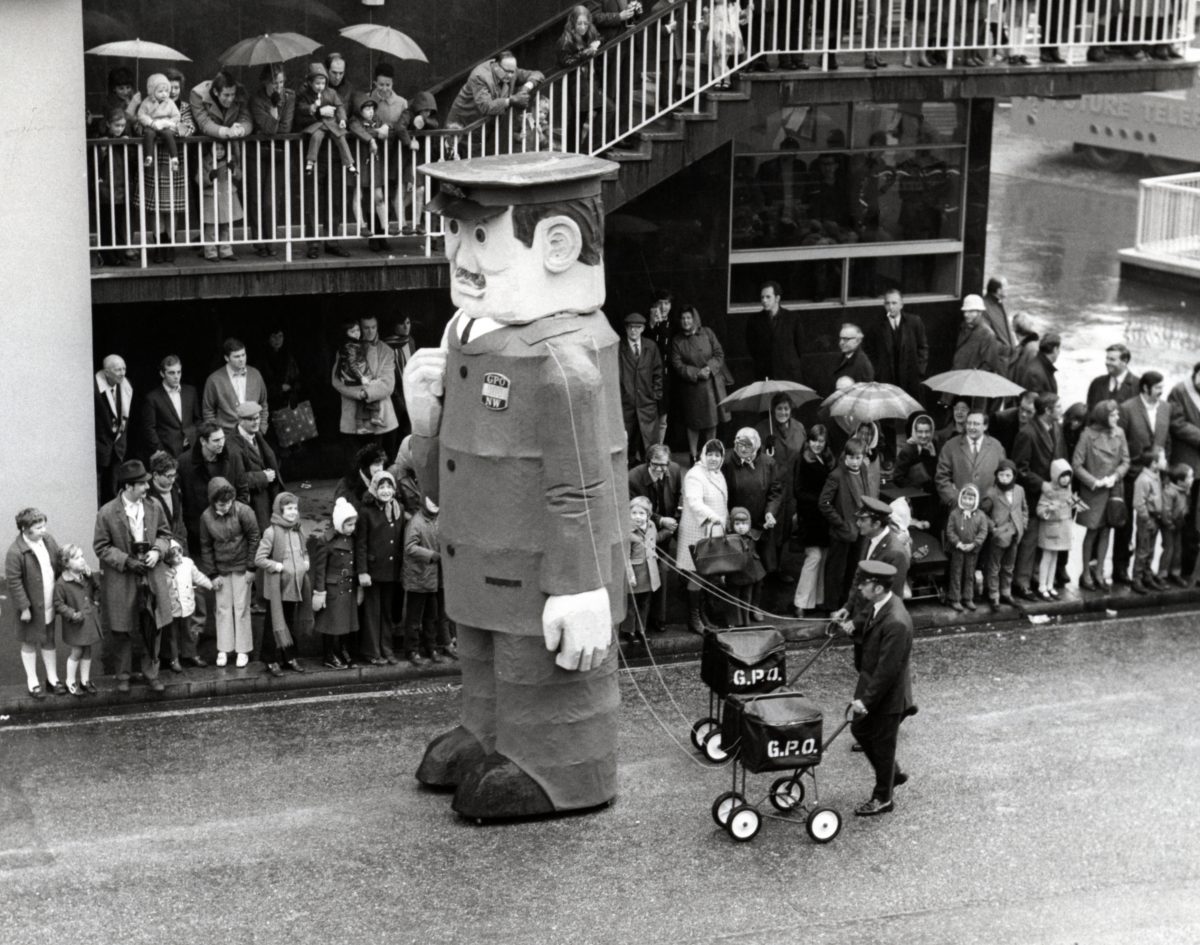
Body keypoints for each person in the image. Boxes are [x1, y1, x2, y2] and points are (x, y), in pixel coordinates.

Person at [403, 154, 626, 820]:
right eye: (457, 234)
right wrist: (424, 425)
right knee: (483, 652)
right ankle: (489, 731)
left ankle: (555, 767)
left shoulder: (564, 358)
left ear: (557, 243)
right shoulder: (470, 333)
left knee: (540, 666)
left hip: (541, 571)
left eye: (481, 236)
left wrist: (583, 587)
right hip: (482, 557)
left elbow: (581, 481)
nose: (461, 256)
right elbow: (458, 460)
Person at [94, 460, 175, 694]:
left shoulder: (154, 506)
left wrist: (157, 551)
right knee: (122, 628)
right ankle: (123, 675)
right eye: (141, 484)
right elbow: (101, 546)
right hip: (123, 578)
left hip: (151, 574)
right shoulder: (107, 512)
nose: (146, 488)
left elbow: (165, 534)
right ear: (128, 486)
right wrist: (125, 560)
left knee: (153, 625)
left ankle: (152, 673)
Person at [844, 559, 915, 818]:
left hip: (888, 696)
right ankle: (892, 774)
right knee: (860, 728)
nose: (860, 587)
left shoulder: (896, 621)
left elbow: (888, 670)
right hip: (874, 686)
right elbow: (868, 625)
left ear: (878, 588)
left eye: (865, 583)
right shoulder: (881, 604)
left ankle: (883, 797)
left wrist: (867, 700)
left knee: (883, 745)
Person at [1115, 371, 1170, 584]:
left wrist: (1164, 466)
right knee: (1126, 525)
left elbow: (1168, 440)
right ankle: (1122, 570)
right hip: (1133, 475)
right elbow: (1121, 443)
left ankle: (1144, 571)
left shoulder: (1166, 408)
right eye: (1157, 387)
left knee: (1150, 526)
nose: (1161, 391)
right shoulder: (1128, 408)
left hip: (1156, 476)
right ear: (1146, 388)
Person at [198, 476, 259, 668]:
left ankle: (243, 650)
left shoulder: (244, 511)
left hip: (242, 567)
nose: (226, 507)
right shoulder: (206, 517)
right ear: (213, 501)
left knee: (241, 608)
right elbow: (206, 546)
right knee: (223, 609)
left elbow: (254, 538)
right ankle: (223, 649)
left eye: (228, 503)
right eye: (221, 504)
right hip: (221, 568)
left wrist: (251, 567)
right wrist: (212, 574)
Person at [1011, 393, 1067, 598]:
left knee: (1048, 539)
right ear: (1047, 411)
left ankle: (1039, 579)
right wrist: (1041, 484)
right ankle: (1022, 582)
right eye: (1058, 407)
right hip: (1034, 496)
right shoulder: (1028, 433)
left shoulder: (1056, 428)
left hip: (1053, 496)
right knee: (1030, 540)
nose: (1061, 410)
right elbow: (1020, 468)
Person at [5, 508, 63, 699]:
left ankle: (52, 678)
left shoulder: (48, 541)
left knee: (49, 639)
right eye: (38, 527)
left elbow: (60, 560)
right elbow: (14, 582)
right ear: (24, 529)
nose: (43, 530)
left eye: (44, 526)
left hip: (48, 601)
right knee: (29, 642)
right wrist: (24, 608)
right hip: (30, 608)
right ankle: (33, 681)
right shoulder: (15, 552)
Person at [1073, 399, 1130, 590]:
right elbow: (1077, 464)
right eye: (1113, 415)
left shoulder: (1119, 433)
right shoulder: (1087, 435)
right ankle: (1086, 573)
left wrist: (1115, 476)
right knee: (1092, 531)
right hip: (1094, 491)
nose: (1117, 418)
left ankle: (1099, 572)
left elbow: (1125, 460)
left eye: (1116, 414)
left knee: (1107, 531)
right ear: (1103, 417)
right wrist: (1093, 481)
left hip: (1112, 489)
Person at [254, 492, 309, 677]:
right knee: (273, 624)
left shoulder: (298, 530)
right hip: (277, 589)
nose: (293, 512)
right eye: (289, 509)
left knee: (290, 623)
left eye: (295, 508)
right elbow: (259, 559)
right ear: (280, 510)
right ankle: (270, 659)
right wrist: (276, 565)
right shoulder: (271, 532)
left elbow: (304, 551)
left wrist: (306, 561)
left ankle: (289, 657)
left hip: (294, 586)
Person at [678, 439, 730, 633]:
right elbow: (694, 502)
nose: (713, 459)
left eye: (717, 455)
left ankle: (704, 616)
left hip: (713, 533)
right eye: (710, 454)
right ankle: (694, 619)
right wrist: (714, 517)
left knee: (707, 574)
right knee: (696, 574)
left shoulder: (718, 474)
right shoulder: (695, 475)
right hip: (696, 533)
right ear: (703, 454)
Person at [628, 444, 681, 630]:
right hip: (642, 533)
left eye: (664, 465)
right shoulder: (633, 478)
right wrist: (661, 521)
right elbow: (636, 510)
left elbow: (678, 496)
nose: (660, 469)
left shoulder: (674, 471)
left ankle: (659, 618)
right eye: (655, 464)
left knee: (666, 570)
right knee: (656, 573)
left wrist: (674, 520)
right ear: (647, 462)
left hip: (665, 531)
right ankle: (641, 624)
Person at [332, 314, 400, 456]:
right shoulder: (345, 349)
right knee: (355, 465)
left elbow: (387, 384)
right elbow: (337, 381)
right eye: (366, 328)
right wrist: (359, 393)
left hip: (379, 416)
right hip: (352, 417)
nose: (370, 331)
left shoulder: (386, 350)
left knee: (379, 464)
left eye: (373, 327)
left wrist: (367, 393)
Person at [355, 470, 404, 667]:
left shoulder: (397, 509)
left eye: (389, 487)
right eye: (381, 487)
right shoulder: (366, 511)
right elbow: (361, 544)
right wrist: (362, 571)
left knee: (386, 613)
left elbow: (398, 541)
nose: (385, 491)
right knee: (372, 613)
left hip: (391, 571)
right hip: (372, 572)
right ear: (375, 489)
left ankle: (387, 649)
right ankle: (372, 651)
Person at [247, 64, 296, 258]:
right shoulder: (256, 99)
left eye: (282, 82)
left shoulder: (289, 97)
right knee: (256, 198)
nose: (279, 87)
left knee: (270, 200)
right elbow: (268, 127)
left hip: (278, 153)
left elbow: (284, 129)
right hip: (258, 153)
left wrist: (275, 115)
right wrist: (273, 110)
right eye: (275, 83)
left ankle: (272, 240)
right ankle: (260, 242)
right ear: (265, 83)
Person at [670, 305, 730, 462]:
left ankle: (711, 453)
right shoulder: (677, 341)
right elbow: (677, 364)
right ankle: (694, 455)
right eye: (683, 318)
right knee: (693, 424)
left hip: (712, 385)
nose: (686, 321)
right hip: (692, 387)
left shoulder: (707, 333)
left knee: (712, 422)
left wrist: (709, 368)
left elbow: (719, 353)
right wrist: (697, 373)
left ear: (694, 318)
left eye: (689, 318)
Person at [722, 427, 783, 576]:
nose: (743, 447)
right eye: (739, 443)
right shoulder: (727, 462)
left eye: (747, 443)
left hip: (760, 525)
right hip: (737, 527)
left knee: (761, 568)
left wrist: (770, 512)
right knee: (739, 571)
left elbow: (775, 492)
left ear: (757, 444)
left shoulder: (769, 463)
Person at [820, 438, 871, 611]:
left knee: (854, 570)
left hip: (860, 529)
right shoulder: (837, 475)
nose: (855, 462)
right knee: (836, 572)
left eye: (859, 457)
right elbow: (824, 503)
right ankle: (831, 608)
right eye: (852, 458)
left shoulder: (863, 469)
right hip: (842, 531)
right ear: (845, 457)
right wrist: (841, 523)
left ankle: (847, 605)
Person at [310, 497, 360, 669]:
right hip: (332, 588)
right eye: (348, 525)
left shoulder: (353, 539)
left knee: (346, 623)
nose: (352, 528)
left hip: (348, 586)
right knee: (330, 625)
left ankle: (343, 651)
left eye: (354, 524)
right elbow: (320, 569)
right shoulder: (326, 540)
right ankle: (328, 654)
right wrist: (319, 591)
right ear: (339, 524)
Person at [792, 424, 834, 615]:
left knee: (823, 557)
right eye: (814, 440)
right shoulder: (803, 460)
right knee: (814, 557)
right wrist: (821, 499)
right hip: (809, 517)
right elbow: (798, 491)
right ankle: (800, 603)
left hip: (824, 518)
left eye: (821, 441)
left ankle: (817, 600)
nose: (817, 444)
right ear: (808, 441)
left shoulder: (825, 459)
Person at [52, 544, 104, 697]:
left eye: (82, 556)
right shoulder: (62, 583)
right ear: (66, 563)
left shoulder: (85, 576)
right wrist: (72, 614)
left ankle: (85, 680)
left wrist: (96, 600)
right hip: (75, 622)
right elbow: (58, 603)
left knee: (87, 649)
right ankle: (70, 681)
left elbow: (97, 589)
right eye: (77, 558)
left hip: (88, 619)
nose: (82, 560)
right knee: (77, 651)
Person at [445, 51, 544, 130]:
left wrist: (525, 88)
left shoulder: (511, 70)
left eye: (512, 72)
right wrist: (511, 100)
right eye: (507, 72)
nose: (510, 75)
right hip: (462, 125)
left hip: (484, 128)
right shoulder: (480, 76)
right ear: (496, 66)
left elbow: (538, 74)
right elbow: (485, 106)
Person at [226, 402, 283, 534]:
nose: (256, 422)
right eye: (251, 419)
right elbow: (237, 480)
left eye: (257, 418)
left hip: (266, 497)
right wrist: (263, 477)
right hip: (252, 503)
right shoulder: (233, 446)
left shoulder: (256, 435)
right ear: (240, 421)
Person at [402, 494, 446, 665]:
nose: (434, 505)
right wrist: (432, 555)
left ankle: (431, 647)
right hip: (418, 578)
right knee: (414, 619)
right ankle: (412, 650)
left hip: (432, 578)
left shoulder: (439, 519)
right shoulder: (416, 522)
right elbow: (409, 547)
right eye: (431, 501)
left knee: (431, 616)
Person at [1167, 362, 1200, 581]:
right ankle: (1177, 568)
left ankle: (1191, 568)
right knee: (1183, 517)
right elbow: (1176, 423)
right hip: (1186, 466)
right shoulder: (1180, 391)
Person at [160, 539, 213, 675]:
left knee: (189, 631)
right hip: (172, 608)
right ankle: (174, 658)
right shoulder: (164, 570)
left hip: (187, 605)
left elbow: (198, 577)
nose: (178, 557)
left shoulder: (188, 564)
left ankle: (191, 653)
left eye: (179, 554)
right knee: (172, 634)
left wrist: (210, 584)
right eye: (174, 556)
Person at [935, 409, 1006, 509]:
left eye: (976, 424)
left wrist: (991, 500)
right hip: (958, 512)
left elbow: (1003, 478)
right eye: (969, 423)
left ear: (985, 426)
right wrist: (957, 500)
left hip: (988, 510)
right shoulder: (951, 446)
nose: (971, 427)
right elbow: (941, 478)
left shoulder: (996, 447)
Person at [296, 62, 357, 178]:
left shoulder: (331, 93)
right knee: (316, 137)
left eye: (323, 83)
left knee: (341, 138)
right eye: (317, 83)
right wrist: (312, 107)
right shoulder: (306, 95)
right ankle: (310, 162)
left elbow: (339, 106)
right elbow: (301, 108)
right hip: (319, 124)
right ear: (310, 83)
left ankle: (350, 163)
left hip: (332, 123)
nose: (320, 86)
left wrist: (342, 119)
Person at [619, 312, 664, 468]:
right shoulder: (619, 348)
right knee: (628, 441)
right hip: (627, 404)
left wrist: (655, 394)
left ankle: (649, 472)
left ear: (643, 329)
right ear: (626, 329)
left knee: (649, 443)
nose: (633, 331)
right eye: (630, 327)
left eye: (637, 327)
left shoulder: (650, 347)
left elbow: (658, 371)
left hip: (647, 403)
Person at [866, 288, 928, 397]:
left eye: (894, 303)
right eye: (887, 303)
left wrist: (919, 371)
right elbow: (870, 351)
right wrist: (878, 373)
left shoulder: (914, 322)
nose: (891, 307)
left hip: (910, 378)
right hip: (887, 378)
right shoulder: (877, 326)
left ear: (901, 304)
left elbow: (922, 347)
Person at [984, 459, 1028, 609]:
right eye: (1001, 475)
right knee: (994, 566)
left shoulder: (1019, 490)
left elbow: (1024, 509)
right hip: (999, 535)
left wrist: (1023, 524)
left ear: (1014, 476)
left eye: (1008, 475)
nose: (1004, 478)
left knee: (1009, 566)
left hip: (1015, 533)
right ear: (997, 476)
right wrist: (993, 528)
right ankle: (993, 594)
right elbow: (984, 513)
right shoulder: (992, 492)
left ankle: (1006, 592)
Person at [203, 338, 269, 434]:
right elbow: (208, 411)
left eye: (243, 355)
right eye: (237, 356)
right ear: (226, 358)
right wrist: (216, 435)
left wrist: (262, 427)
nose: (241, 359)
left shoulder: (255, 374)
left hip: (254, 433)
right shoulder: (214, 380)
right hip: (227, 435)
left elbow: (263, 403)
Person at [140, 355, 201, 459]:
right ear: (162, 373)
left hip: (191, 449)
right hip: (168, 452)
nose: (176, 376)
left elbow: (198, 419)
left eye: (179, 372)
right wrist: (161, 452)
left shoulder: (190, 391)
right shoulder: (152, 398)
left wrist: (193, 437)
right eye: (171, 373)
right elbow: (149, 429)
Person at [745, 281, 805, 384]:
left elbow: (800, 346)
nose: (764, 300)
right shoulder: (754, 321)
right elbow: (752, 348)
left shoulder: (792, 318)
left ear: (777, 298)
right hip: (765, 375)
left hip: (789, 375)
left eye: (768, 297)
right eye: (762, 297)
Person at [1036, 459, 1079, 600]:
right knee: (1047, 557)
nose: (1066, 479)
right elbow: (1040, 509)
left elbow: (1070, 503)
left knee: (1054, 558)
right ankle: (1042, 585)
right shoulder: (1049, 490)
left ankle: (1050, 585)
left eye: (1068, 476)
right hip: (1050, 529)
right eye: (1063, 476)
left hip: (1062, 529)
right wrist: (1049, 508)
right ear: (1056, 475)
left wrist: (1074, 504)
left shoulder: (1068, 489)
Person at [196, 139, 242, 262]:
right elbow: (198, 179)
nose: (220, 152)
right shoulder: (206, 161)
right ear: (211, 150)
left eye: (222, 149)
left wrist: (233, 170)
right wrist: (209, 177)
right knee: (210, 227)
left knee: (225, 226)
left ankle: (225, 250)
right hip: (211, 197)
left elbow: (239, 176)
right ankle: (210, 252)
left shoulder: (229, 160)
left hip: (226, 196)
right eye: (216, 149)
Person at [95, 354, 132, 503]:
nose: (123, 373)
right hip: (99, 449)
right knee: (97, 492)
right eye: (118, 370)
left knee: (113, 491)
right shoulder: (93, 388)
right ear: (107, 372)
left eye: (124, 369)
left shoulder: (126, 385)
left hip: (117, 449)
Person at [1130, 446, 1167, 594]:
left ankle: (1147, 575)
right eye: (1163, 458)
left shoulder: (1156, 475)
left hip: (1155, 517)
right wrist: (1146, 518)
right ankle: (1137, 578)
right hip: (1146, 519)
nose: (1165, 461)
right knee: (1143, 550)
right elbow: (1138, 503)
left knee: (1151, 549)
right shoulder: (1143, 480)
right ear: (1154, 463)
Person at [622, 496, 660, 642]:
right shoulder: (628, 532)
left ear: (648, 515)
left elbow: (652, 543)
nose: (638, 517)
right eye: (634, 513)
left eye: (642, 513)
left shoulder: (651, 526)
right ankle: (629, 630)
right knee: (631, 604)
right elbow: (625, 556)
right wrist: (630, 575)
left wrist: (653, 553)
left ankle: (641, 629)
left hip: (649, 572)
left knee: (645, 602)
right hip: (635, 573)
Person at [946, 484, 989, 612]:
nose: (967, 502)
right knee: (956, 573)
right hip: (957, 549)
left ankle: (968, 597)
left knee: (969, 574)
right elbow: (950, 530)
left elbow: (983, 532)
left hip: (972, 550)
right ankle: (955, 598)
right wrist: (957, 543)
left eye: (970, 499)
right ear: (961, 498)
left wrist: (974, 544)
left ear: (975, 501)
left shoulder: (980, 515)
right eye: (965, 498)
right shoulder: (954, 514)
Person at [724, 507, 766, 623]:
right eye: (737, 524)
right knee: (733, 597)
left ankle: (745, 620)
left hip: (749, 573)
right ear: (732, 524)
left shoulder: (751, 536)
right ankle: (734, 621)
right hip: (734, 573)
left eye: (744, 523)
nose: (741, 527)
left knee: (747, 596)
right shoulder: (728, 540)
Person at [190, 71, 253, 143]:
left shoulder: (241, 92)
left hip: (232, 144)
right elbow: (204, 123)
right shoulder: (198, 94)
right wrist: (227, 132)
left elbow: (246, 119)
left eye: (233, 94)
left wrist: (240, 130)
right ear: (215, 92)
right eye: (226, 95)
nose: (230, 99)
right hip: (206, 144)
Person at [136, 73, 181, 173]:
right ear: (152, 92)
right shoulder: (147, 102)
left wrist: (168, 122)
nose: (164, 94)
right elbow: (141, 115)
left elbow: (177, 116)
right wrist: (151, 123)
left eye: (166, 91)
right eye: (160, 91)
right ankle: (149, 156)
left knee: (168, 134)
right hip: (153, 125)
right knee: (149, 133)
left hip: (165, 125)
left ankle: (174, 158)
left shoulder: (170, 102)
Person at [951, 294, 1006, 374]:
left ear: (980, 312)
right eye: (965, 311)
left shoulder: (987, 334)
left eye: (970, 311)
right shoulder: (964, 327)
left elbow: (989, 365)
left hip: (971, 379)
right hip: (959, 375)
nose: (966, 314)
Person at [1159, 463, 1193, 587]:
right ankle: (1162, 574)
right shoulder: (1170, 492)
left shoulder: (1184, 491)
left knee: (1178, 549)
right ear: (1180, 482)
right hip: (1170, 525)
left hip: (1178, 524)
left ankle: (1175, 572)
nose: (1192, 479)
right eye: (1189, 477)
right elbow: (1166, 511)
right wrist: (1169, 523)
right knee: (1169, 549)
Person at [335, 443, 390, 510]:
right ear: (365, 466)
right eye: (376, 465)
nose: (380, 469)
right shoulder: (346, 485)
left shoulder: (385, 480)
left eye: (382, 464)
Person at [1086, 343, 1139, 409]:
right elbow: (1089, 412)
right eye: (1107, 359)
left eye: (1112, 359)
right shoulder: (1096, 383)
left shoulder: (1138, 386)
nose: (1107, 363)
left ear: (1124, 361)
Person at [893, 414, 937, 491]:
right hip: (916, 496)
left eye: (927, 432)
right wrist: (916, 487)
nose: (924, 435)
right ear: (914, 432)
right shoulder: (908, 450)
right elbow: (897, 478)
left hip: (933, 495)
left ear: (932, 431)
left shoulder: (933, 446)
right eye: (920, 432)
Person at [832, 322, 875, 390]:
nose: (841, 343)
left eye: (846, 339)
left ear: (857, 341)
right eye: (840, 338)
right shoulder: (843, 357)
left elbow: (864, 393)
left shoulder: (862, 364)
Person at [981, 277, 1015, 350]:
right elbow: (985, 336)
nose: (1008, 288)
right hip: (999, 358)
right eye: (1006, 286)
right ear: (999, 291)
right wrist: (1004, 348)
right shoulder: (984, 308)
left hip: (1007, 356)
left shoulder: (999, 302)